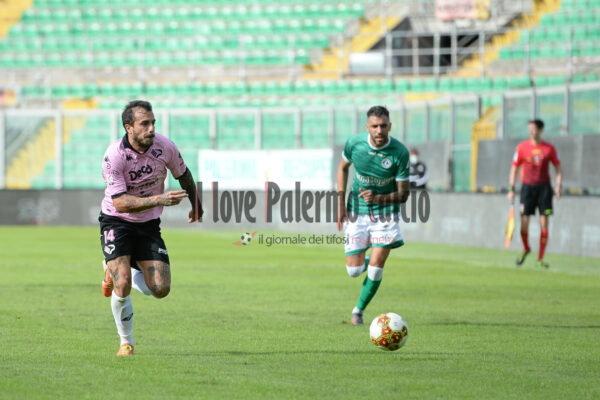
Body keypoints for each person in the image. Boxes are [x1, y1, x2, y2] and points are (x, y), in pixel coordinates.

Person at [99, 100, 203, 356]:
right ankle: (126, 342)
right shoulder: (114, 156)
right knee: (123, 282)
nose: (151, 128)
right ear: (129, 127)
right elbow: (120, 203)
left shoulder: (164, 147)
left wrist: (197, 205)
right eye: (144, 124)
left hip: (148, 225)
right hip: (116, 221)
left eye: (153, 123)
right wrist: (159, 199)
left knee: (160, 289)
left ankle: (113, 268)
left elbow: (184, 175)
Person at [336, 105, 410, 325]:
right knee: (354, 270)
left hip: (385, 214)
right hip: (356, 210)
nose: (379, 131)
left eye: (383, 126)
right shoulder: (354, 144)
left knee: (376, 270)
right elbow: (342, 168)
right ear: (367, 127)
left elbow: (403, 195)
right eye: (375, 126)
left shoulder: (399, 152)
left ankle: (358, 311)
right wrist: (340, 203)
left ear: (390, 126)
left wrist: (377, 198)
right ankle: (367, 260)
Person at [507, 119, 562, 269]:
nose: (531, 131)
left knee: (544, 223)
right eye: (529, 128)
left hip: (544, 189)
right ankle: (526, 248)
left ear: (540, 130)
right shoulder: (521, 147)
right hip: (527, 189)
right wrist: (511, 189)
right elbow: (514, 168)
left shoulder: (549, 149)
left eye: (534, 128)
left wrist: (558, 186)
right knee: (524, 224)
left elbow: (558, 169)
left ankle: (540, 258)